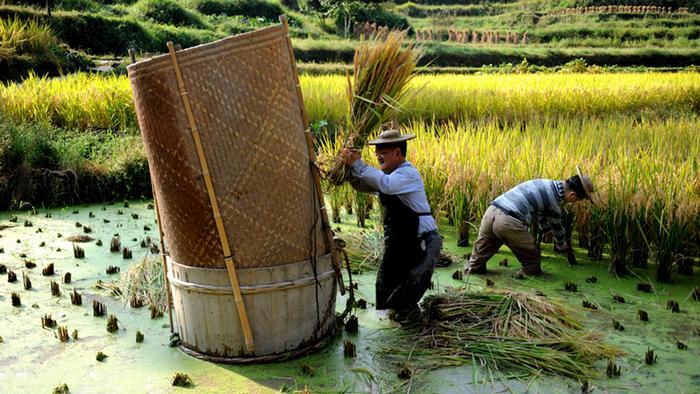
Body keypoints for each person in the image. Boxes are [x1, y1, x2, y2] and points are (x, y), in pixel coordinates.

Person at [341, 129, 441, 319]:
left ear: (397, 152)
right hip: (399, 242)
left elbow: (385, 184)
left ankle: (408, 333)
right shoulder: (388, 176)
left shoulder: (406, 174)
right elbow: (365, 185)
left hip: (422, 243)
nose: (378, 155)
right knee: (384, 287)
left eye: (384, 152)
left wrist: (358, 165)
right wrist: (349, 171)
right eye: (377, 151)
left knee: (407, 293)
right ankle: (386, 325)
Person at [465, 166, 595, 276]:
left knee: (477, 262)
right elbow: (557, 225)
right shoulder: (554, 200)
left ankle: (470, 278)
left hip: (491, 212)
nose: (574, 202)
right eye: (577, 200)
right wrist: (562, 244)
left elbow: (540, 213)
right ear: (572, 194)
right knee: (532, 263)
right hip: (508, 221)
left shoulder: (545, 183)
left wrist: (545, 229)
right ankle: (526, 292)